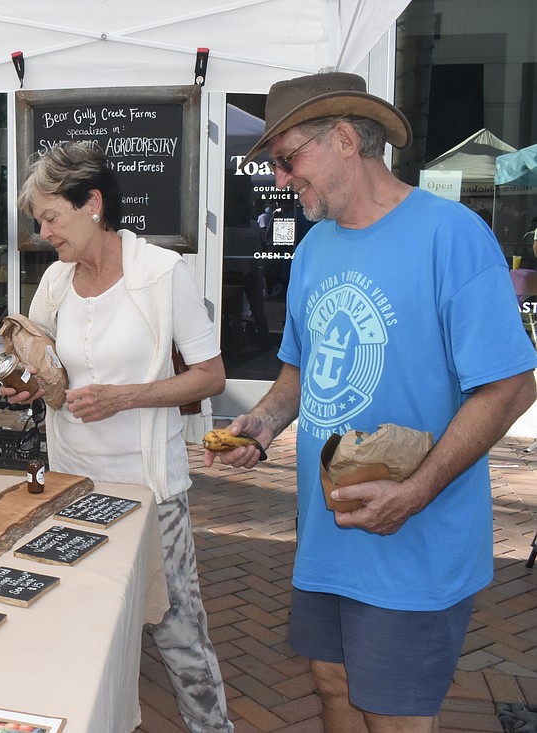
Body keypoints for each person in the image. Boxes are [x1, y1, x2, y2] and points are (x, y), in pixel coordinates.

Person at [207, 72, 537, 733]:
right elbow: (300, 369)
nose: (279, 179)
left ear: (344, 139)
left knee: (393, 716)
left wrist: (414, 492)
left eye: (286, 158)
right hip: (328, 534)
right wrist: (264, 422)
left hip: (414, 537)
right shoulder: (315, 248)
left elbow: (510, 384)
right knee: (332, 685)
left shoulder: (452, 234)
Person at [4, 141, 232, 733]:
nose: (44, 232)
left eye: (51, 217)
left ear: (93, 204)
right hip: (74, 486)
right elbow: (50, 371)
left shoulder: (161, 274)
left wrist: (126, 395)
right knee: (82, 627)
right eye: (39, 221)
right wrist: (32, 387)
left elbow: (210, 377)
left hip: (151, 489)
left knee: (178, 628)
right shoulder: (55, 283)